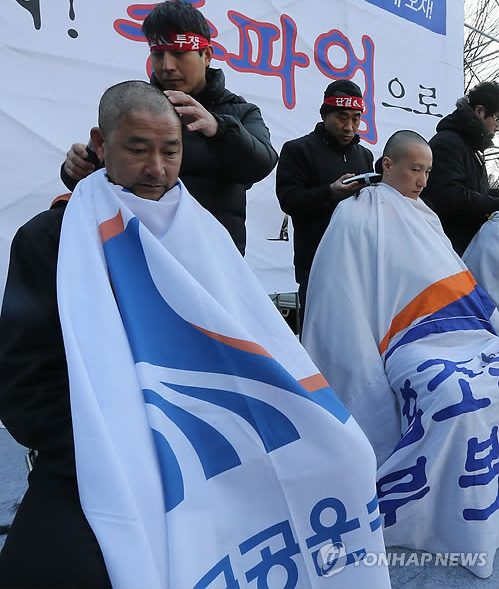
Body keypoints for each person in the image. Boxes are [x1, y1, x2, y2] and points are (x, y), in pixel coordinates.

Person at [0, 81, 390, 588]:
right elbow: (25, 378)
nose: (157, 169)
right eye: (138, 150)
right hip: (94, 451)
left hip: (211, 434)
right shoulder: (51, 239)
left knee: (345, 459)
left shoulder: (202, 234)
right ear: (100, 144)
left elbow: (256, 346)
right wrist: (114, 449)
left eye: (171, 151)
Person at [303, 130, 499, 578]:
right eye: (415, 169)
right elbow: (340, 300)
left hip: (462, 332)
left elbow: (455, 281)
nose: (423, 181)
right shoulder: (352, 217)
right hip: (403, 342)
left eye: (428, 171)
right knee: (455, 400)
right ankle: (434, 514)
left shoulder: (425, 216)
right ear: (387, 164)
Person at [60, 0, 278, 254]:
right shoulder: (135, 106)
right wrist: (74, 168)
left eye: (179, 53)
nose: (167, 66)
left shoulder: (240, 112)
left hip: (212, 258)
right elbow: (94, 176)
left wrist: (218, 129)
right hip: (137, 252)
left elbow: (261, 164)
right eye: (158, 54)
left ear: (206, 55)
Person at [276, 79, 374, 317]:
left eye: (356, 118)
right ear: (324, 115)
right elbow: (289, 200)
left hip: (358, 263)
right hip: (316, 263)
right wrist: (329, 193)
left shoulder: (365, 155)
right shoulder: (297, 150)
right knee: (318, 336)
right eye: (342, 117)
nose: (349, 126)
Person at [422, 81, 499, 255]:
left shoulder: (471, 146)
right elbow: (448, 195)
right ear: (479, 112)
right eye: (496, 118)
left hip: (468, 247)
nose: (498, 126)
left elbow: (477, 191)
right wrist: (495, 204)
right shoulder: (447, 142)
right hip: (450, 251)